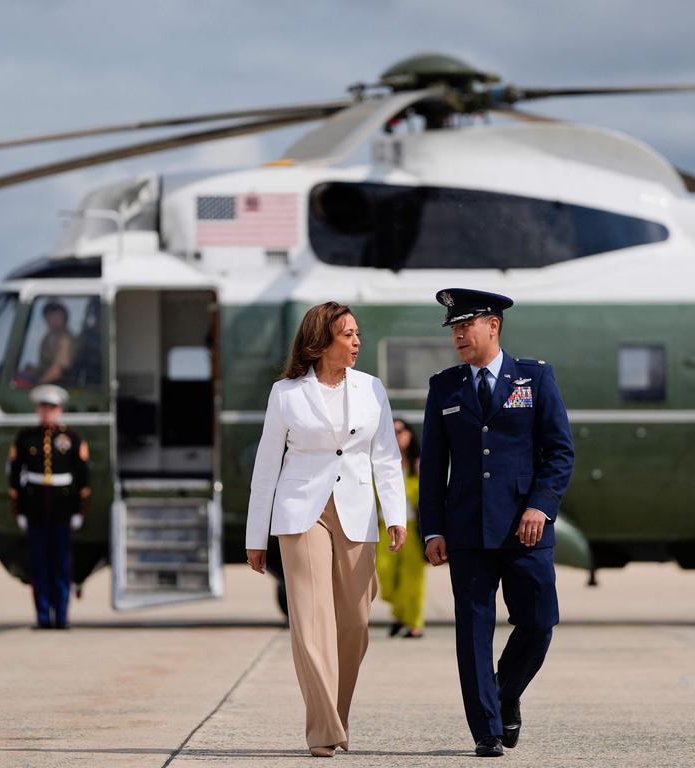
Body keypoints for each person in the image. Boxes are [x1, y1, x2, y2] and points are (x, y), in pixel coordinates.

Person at [245, 301, 407, 758]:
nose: (357, 342)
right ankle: (322, 730)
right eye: (348, 334)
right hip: (302, 513)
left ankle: (337, 713)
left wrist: (396, 515)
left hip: (356, 511)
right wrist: (256, 537)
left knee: (355, 623)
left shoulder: (372, 388)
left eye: (358, 333)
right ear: (321, 341)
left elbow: (386, 458)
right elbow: (265, 468)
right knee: (311, 621)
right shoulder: (286, 394)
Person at [419, 288, 575, 758]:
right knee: (472, 633)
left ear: (494, 325)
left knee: (539, 621)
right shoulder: (444, 386)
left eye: (467, 325)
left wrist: (540, 506)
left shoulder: (535, 377)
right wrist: (433, 528)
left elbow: (560, 452)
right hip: (466, 530)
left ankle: (506, 692)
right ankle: (486, 729)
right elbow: (432, 465)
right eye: (454, 328)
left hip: (525, 529)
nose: (459, 335)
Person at [7, 384, 90, 629]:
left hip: (62, 510)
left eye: (52, 408)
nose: (48, 412)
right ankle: (43, 617)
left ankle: (61, 616)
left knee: (61, 565)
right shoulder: (26, 438)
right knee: (39, 566)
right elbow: (15, 477)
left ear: (60, 410)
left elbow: (82, 478)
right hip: (35, 509)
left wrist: (79, 510)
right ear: (37, 410)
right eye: (44, 408)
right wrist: (19, 510)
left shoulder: (72, 439)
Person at [376, 418, 427, 638]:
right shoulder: (379, 463)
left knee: (412, 577)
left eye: (400, 431)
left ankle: (414, 622)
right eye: (392, 431)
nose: (397, 435)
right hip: (384, 527)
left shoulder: (418, 465)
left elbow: (424, 498)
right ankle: (400, 612)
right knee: (385, 574)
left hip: (412, 528)